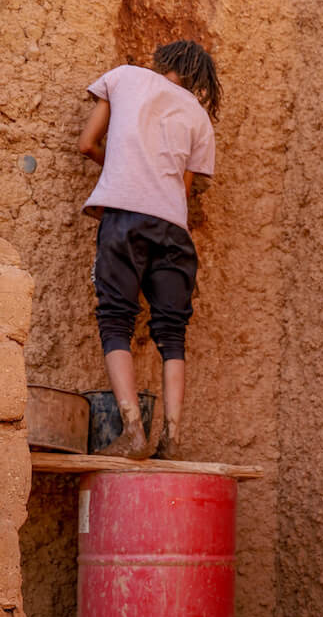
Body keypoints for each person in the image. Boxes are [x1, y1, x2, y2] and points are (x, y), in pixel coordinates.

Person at [78, 40, 220, 459]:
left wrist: (121, 166)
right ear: (197, 78)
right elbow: (182, 190)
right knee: (172, 333)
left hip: (124, 218)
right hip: (174, 230)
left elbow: (86, 144)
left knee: (116, 319)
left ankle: (132, 432)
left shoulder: (122, 78)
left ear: (163, 61)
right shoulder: (199, 116)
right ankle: (172, 439)